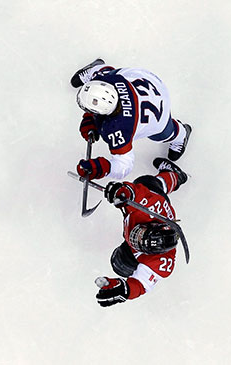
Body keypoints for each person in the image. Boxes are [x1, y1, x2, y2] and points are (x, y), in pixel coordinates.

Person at [72, 59, 192, 182]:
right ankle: (96, 68)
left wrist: (103, 168)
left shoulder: (118, 129)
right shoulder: (107, 81)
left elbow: (124, 165)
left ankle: (182, 134)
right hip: (149, 81)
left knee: (164, 133)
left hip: (159, 115)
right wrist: (92, 118)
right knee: (105, 74)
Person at [93, 157, 188, 307]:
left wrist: (124, 290)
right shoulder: (148, 210)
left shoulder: (159, 262)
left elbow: (141, 284)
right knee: (147, 182)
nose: (134, 235)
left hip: (145, 225)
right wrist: (124, 192)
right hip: (155, 197)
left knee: (122, 263)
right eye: (141, 233)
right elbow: (139, 194)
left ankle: (173, 178)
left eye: (136, 241)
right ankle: (176, 175)